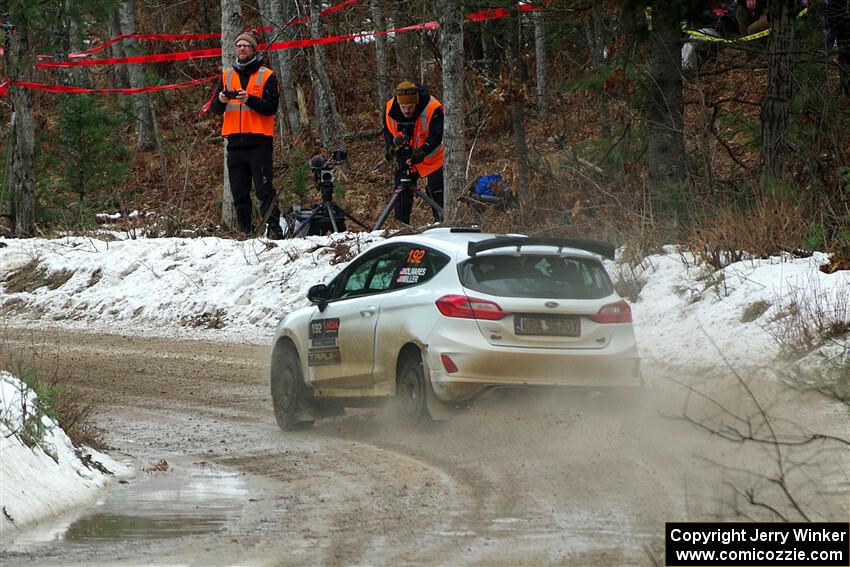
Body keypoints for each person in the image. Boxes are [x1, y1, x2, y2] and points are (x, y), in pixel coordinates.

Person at [211, 31, 284, 239]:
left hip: (259, 142)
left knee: (264, 190)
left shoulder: (267, 75)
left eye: (246, 45)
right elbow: (215, 108)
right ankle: (246, 233)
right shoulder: (227, 75)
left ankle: (275, 231)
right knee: (239, 194)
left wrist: (248, 99)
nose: (241, 49)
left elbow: (271, 107)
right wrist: (222, 100)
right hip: (234, 144)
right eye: (239, 45)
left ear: (254, 50)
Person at [382, 81, 444, 225]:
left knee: (437, 192)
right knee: (402, 194)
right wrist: (390, 146)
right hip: (405, 159)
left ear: (416, 102)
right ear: (398, 103)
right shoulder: (389, 108)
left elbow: (437, 134)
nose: (407, 110)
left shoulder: (432, 107)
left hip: (431, 158)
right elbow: (387, 131)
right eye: (403, 107)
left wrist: (423, 151)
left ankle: (442, 222)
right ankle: (401, 227)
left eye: (410, 107)